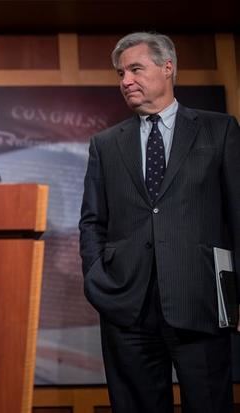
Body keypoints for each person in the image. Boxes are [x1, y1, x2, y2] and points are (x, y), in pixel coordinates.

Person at [79, 32, 240, 413]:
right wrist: (97, 280)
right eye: (121, 73)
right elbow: (92, 222)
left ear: (168, 68)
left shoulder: (219, 130)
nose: (126, 81)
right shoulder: (105, 144)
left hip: (200, 302)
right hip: (126, 307)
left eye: (136, 69)